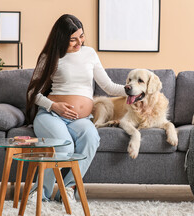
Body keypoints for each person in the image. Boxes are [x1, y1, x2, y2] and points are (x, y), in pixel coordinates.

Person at [26, 14, 126, 202]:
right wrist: (53, 106)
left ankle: (68, 188)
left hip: (80, 120)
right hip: (51, 116)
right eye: (73, 39)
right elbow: (33, 93)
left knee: (91, 138)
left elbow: (109, 86)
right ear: (61, 38)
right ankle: (39, 191)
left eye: (81, 36)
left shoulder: (89, 54)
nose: (79, 42)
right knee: (64, 145)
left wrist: (132, 91)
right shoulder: (49, 57)